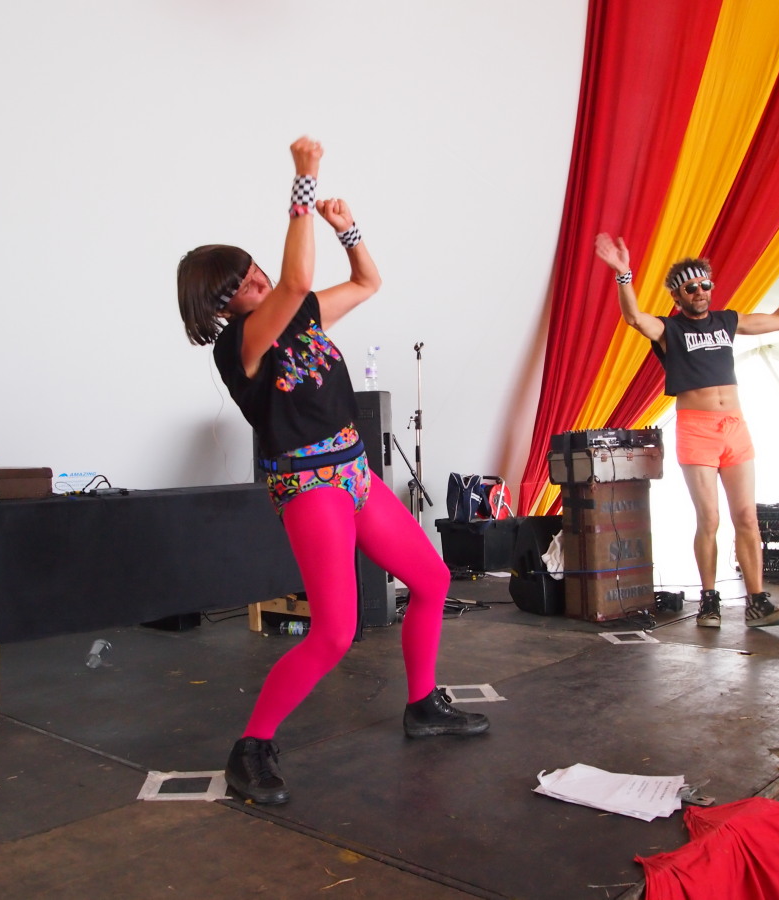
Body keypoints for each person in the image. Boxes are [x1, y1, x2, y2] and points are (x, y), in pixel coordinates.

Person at [176, 137, 488, 805]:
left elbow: (370, 281)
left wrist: (349, 231)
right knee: (337, 631)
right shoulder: (243, 343)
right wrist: (305, 181)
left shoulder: (306, 314)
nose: (256, 283)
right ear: (220, 307)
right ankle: (251, 747)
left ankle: (423, 704)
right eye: (239, 285)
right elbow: (292, 284)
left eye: (254, 271)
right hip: (308, 485)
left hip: (354, 471)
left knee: (431, 578)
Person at [593, 233, 779, 628]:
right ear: (678, 296)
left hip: (735, 428)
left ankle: (757, 602)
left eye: (705, 285)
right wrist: (624, 275)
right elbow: (633, 318)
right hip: (697, 430)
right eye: (691, 287)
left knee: (747, 517)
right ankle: (709, 601)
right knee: (709, 519)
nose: (700, 292)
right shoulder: (669, 329)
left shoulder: (727, 321)